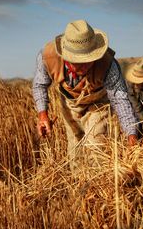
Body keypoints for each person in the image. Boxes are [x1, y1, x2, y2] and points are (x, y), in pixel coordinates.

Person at [32, 19, 137, 170]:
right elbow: (39, 85)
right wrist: (43, 115)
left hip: (98, 104)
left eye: (89, 59)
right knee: (76, 152)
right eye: (79, 61)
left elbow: (120, 99)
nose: (85, 65)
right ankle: (80, 188)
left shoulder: (108, 63)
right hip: (70, 105)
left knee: (97, 146)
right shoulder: (47, 57)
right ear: (65, 56)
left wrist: (131, 136)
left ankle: (99, 186)